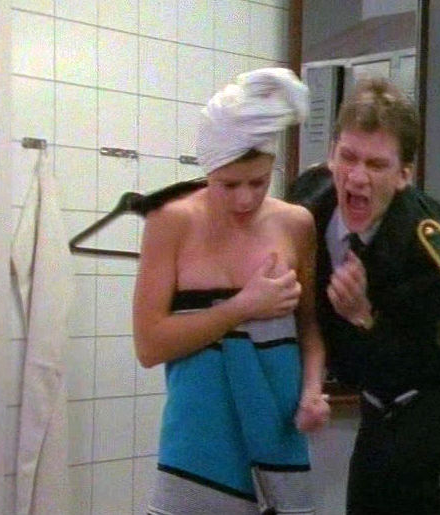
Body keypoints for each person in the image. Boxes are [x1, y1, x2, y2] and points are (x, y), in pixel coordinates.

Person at [287, 77, 440, 514]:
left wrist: (364, 318)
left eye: (376, 164)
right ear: (331, 154)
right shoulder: (306, 205)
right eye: (347, 157)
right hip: (381, 389)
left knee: (398, 477)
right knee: (367, 500)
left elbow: (424, 360)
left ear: (404, 174)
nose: (357, 177)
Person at [133, 68, 330, 515]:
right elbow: (149, 345)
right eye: (229, 185)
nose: (245, 199)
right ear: (208, 171)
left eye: (258, 182)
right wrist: (242, 306)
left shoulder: (295, 224)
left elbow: (310, 329)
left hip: (277, 426)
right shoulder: (172, 222)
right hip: (198, 436)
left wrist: (312, 391)